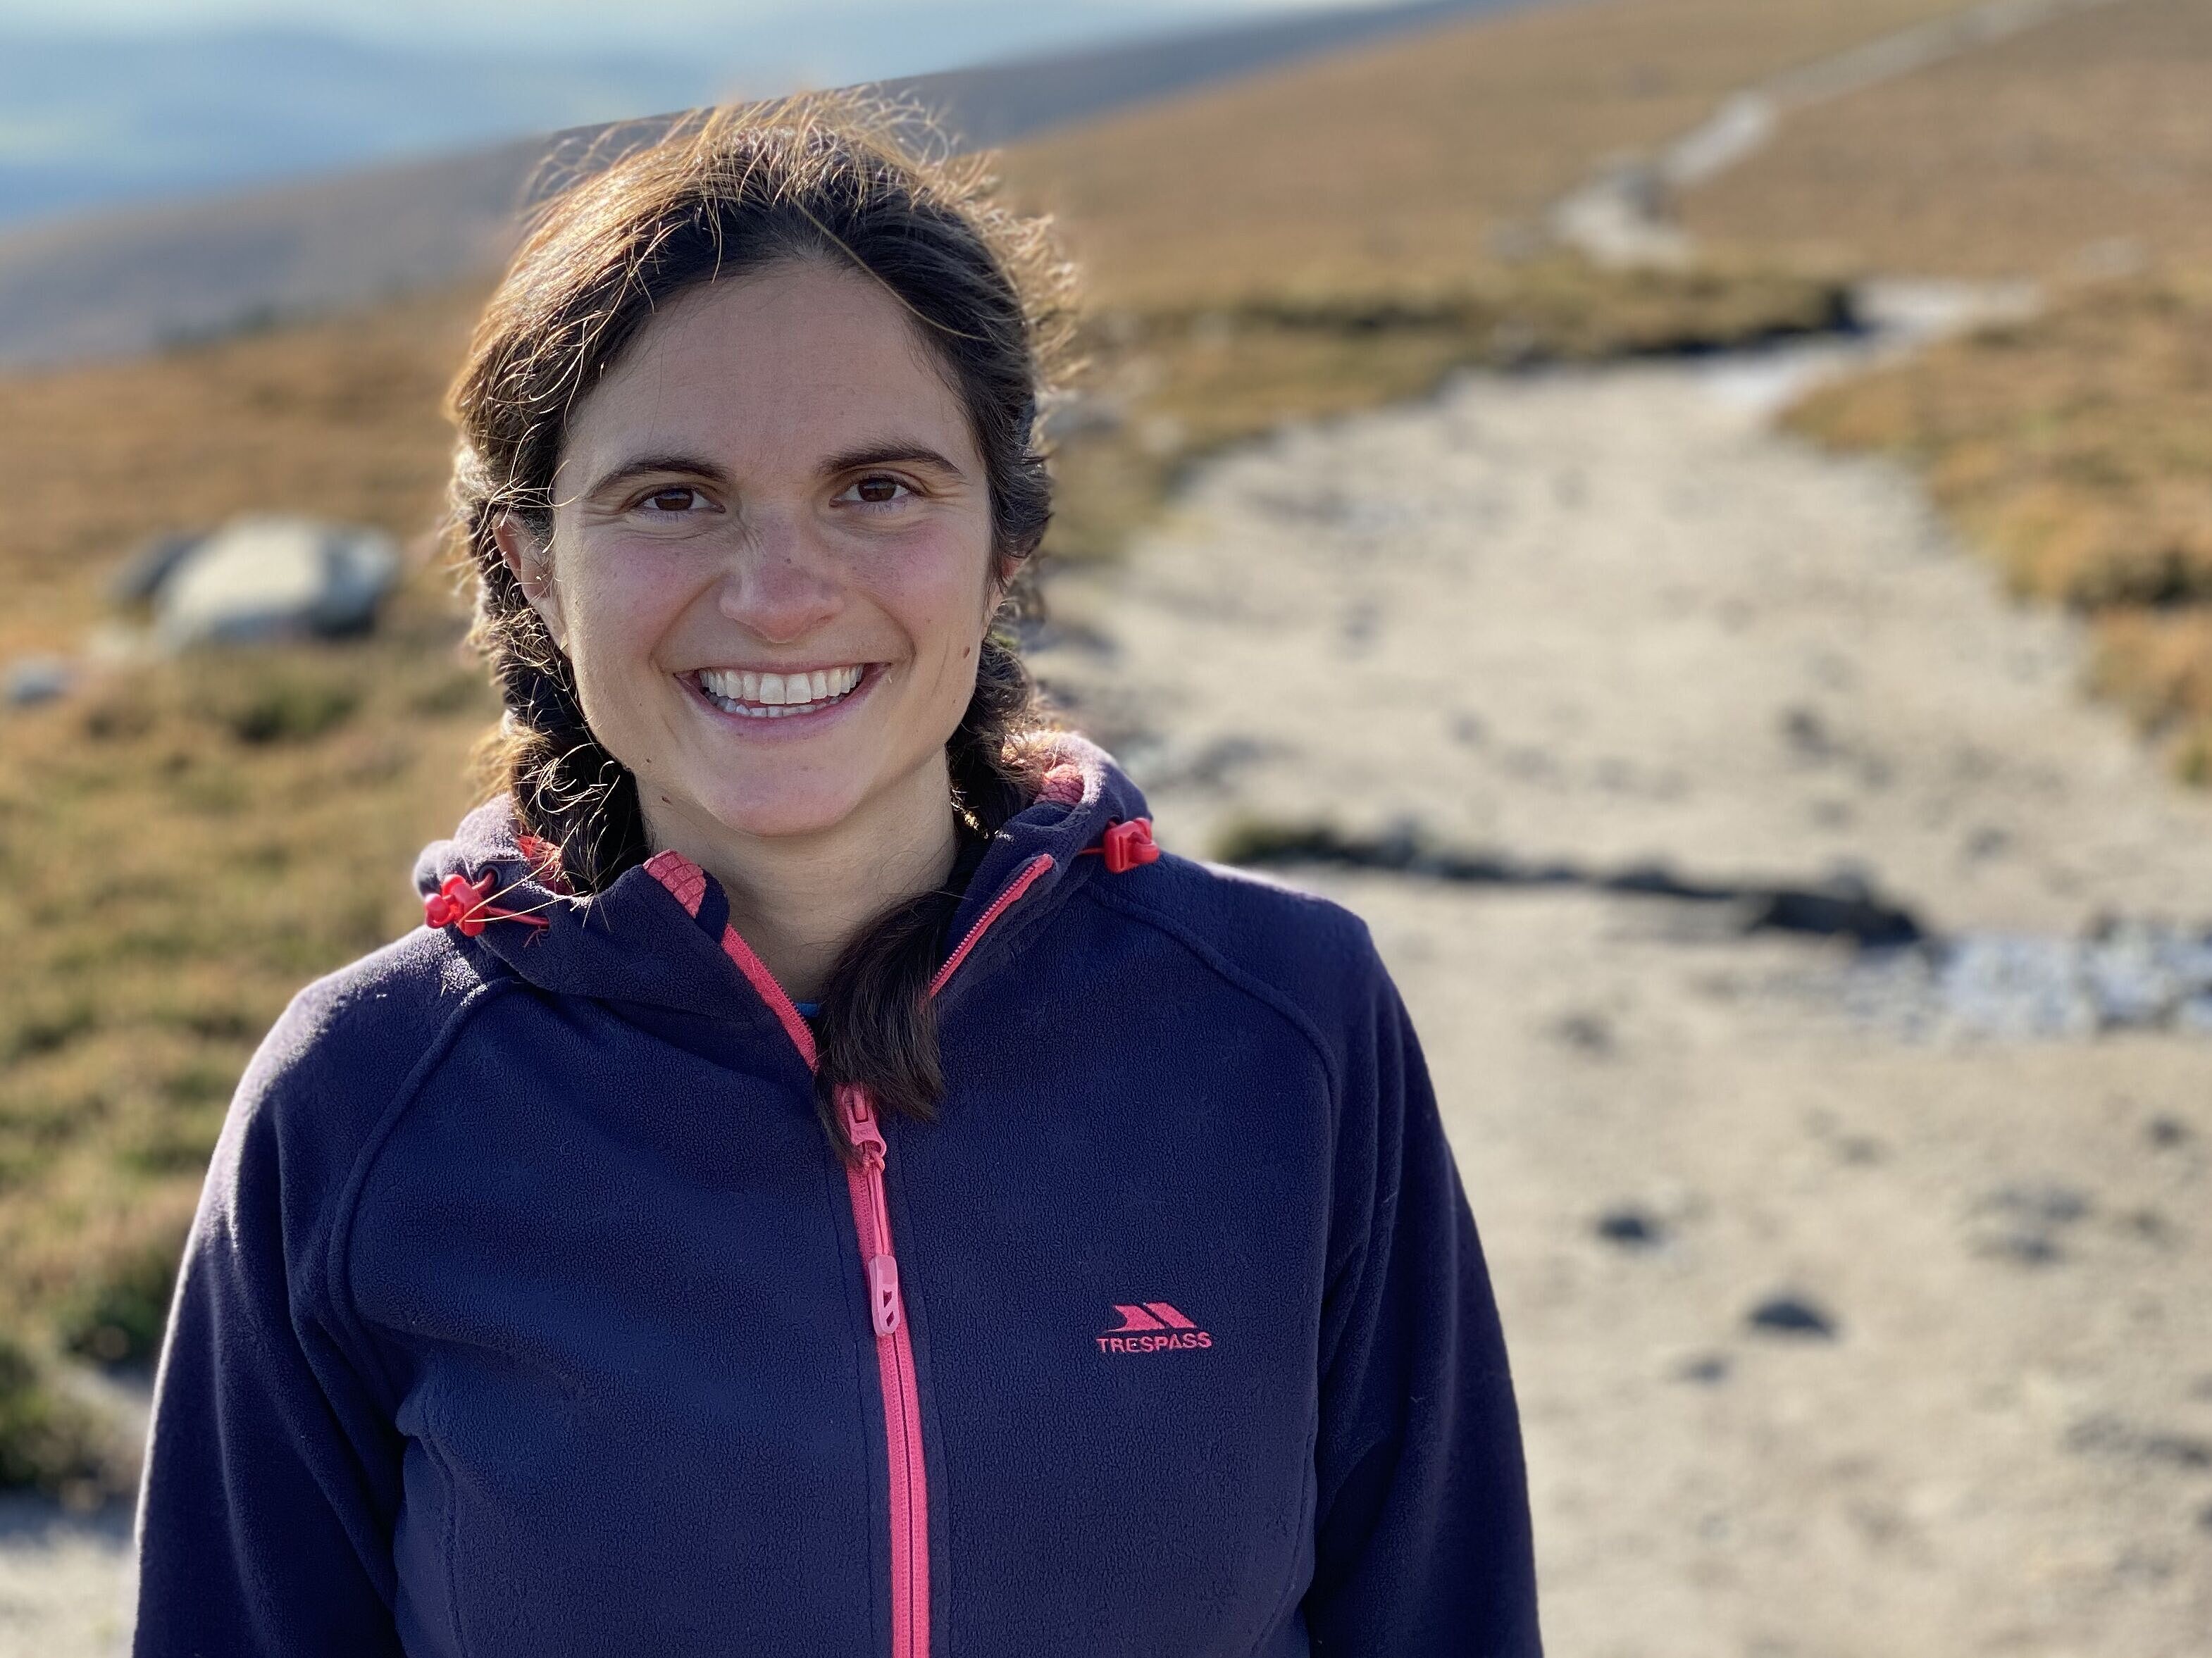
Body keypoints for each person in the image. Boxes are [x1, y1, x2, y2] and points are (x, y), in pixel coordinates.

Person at [133, 97, 1539, 1657]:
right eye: (674, 496)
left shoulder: (1286, 1025)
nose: (781, 593)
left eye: (879, 486)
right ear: (533, 563)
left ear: (1005, 543)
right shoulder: (362, 1104)